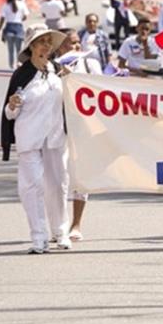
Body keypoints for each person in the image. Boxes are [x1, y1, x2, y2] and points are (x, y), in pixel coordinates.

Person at [1, 25, 72, 254]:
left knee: (58, 184)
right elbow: (9, 113)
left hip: (55, 137)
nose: (46, 46)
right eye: (42, 41)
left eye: (49, 42)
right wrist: (12, 105)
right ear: (31, 46)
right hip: (29, 139)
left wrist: (71, 80)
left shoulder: (57, 71)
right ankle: (39, 237)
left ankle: (60, 232)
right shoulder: (22, 75)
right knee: (33, 187)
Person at [54, 30, 102, 241]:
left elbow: (101, 91)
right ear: (59, 48)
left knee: (80, 177)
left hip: (83, 128)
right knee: (58, 177)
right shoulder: (50, 67)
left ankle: (76, 224)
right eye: (69, 44)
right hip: (57, 128)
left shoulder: (90, 65)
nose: (74, 47)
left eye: (76, 43)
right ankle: (58, 224)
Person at [0, 0, 30, 69]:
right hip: (19, 27)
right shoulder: (21, 4)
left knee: (10, 50)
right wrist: (20, 19)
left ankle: (11, 66)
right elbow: (26, 16)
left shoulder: (5, 5)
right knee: (19, 50)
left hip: (9, 27)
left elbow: (2, 19)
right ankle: (18, 66)